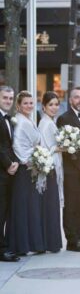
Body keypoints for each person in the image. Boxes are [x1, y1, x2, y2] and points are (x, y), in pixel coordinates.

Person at [57, 87, 80, 252]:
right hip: (72, 171)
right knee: (71, 206)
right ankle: (72, 241)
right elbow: (65, 147)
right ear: (70, 100)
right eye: (76, 97)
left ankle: (79, 236)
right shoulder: (64, 119)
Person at [8, 91, 45, 254]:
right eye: (26, 103)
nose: (29, 106)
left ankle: (28, 243)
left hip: (31, 168)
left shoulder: (28, 120)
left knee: (30, 207)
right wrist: (34, 158)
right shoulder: (21, 123)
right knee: (22, 207)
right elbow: (18, 147)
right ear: (18, 105)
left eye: (32, 103)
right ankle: (20, 245)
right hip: (25, 169)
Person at [38, 91, 63, 253]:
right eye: (51, 105)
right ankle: (50, 242)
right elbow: (46, 148)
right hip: (49, 168)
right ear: (43, 107)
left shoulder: (50, 121)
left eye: (56, 104)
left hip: (53, 166)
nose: (54, 108)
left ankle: (51, 242)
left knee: (52, 205)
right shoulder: (46, 124)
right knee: (50, 205)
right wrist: (61, 147)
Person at [0, 86, 19, 262]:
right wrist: (8, 164)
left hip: (8, 171)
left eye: (10, 98)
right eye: (5, 97)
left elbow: (8, 145)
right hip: (1, 172)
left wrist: (15, 163)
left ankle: (4, 246)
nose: (8, 101)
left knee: (4, 211)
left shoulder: (8, 119)